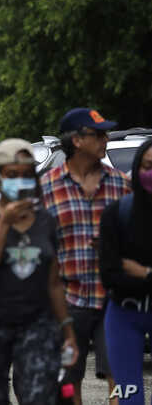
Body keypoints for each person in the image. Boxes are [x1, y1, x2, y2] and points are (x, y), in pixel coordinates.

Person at [0, 138, 79, 405]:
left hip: (36, 324)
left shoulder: (46, 220)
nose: (20, 181)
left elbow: (54, 282)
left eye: (26, 174)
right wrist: (4, 223)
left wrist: (68, 330)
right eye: (12, 174)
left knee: (40, 396)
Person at [41, 108, 130, 405]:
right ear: (77, 141)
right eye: (99, 134)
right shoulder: (46, 189)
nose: (105, 139)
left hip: (115, 300)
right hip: (66, 301)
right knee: (67, 382)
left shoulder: (121, 185)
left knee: (122, 377)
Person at [100, 138, 152, 405]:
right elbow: (110, 274)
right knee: (127, 393)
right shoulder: (116, 213)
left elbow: (124, 270)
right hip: (123, 314)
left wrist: (143, 273)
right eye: (147, 166)